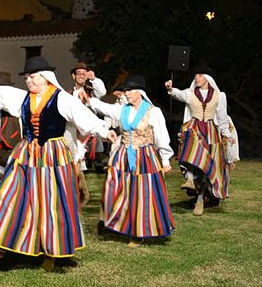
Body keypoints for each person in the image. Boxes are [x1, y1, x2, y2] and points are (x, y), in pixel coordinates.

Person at [0, 56, 115, 270]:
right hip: (26, 153)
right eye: (26, 77)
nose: (28, 80)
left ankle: (52, 252)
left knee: (52, 202)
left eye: (32, 76)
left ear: (45, 77)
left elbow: (83, 116)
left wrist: (105, 131)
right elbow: (0, 95)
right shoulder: (24, 98)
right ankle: (1, 242)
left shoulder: (61, 98)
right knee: (10, 192)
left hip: (53, 154)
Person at [86, 74, 176, 246]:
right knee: (114, 187)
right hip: (123, 155)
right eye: (126, 90)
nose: (126, 93)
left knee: (143, 192)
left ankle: (140, 231)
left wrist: (165, 160)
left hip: (145, 156)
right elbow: (104, 108)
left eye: (130, 90)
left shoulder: (153, 112)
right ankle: (111, 222)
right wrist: (89, 101)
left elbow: (162, 137)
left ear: (140, 92)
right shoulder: (122, 110)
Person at [165, 65, 234, 216]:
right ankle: (189, 179)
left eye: (200, 75)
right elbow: (178, 94)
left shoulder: (219, 95)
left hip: (210, 132)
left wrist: (226, 134)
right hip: (194, 128)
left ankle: (201, 198)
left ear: (208, 78)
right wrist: (170, 89)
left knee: (206, 167)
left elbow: (222, 117)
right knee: (189, 154)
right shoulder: (190, 94)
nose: (197, 77)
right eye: (196, 75)